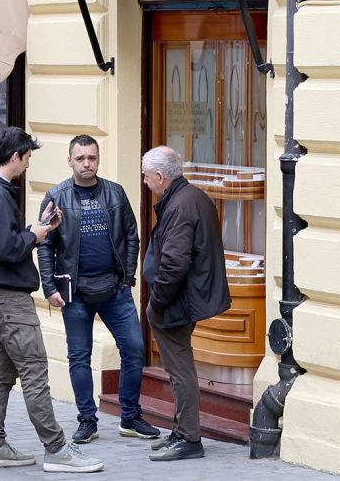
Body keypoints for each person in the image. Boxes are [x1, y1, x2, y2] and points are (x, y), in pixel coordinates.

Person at [0, 126, 103, 474]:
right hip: (8, 297)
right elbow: (7, 248)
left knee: (2, 371)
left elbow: (1, 240)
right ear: (15, 157)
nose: (28, 165)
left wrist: (34, 229)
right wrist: (37, 233)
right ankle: (56, 448)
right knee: (34, 369)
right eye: (27, 158)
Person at [37, 135, 158, 444]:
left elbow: (132, 235)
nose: (87, 163)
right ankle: (87, 420)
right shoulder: (56, 197)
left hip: (115, 288)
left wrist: (128, 277)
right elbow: (45, 246)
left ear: (98, 158)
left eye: (91, 157)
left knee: (134, 349)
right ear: (70, 161)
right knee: (79, 357)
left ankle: (130, 416)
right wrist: (50, 287)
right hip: (74, 292)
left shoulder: (115, 193)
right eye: (80, 158)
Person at [141, 146, 230, 461]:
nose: (145, 181)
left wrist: (158, 301)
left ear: (161, 176)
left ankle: (189, 438)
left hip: (177, 300)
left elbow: (175, 262)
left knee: (180, 370)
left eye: (147, 176)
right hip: (184, 297)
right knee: (180, 368)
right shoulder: (190, 197)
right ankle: (181, 431)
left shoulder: (181, 204)